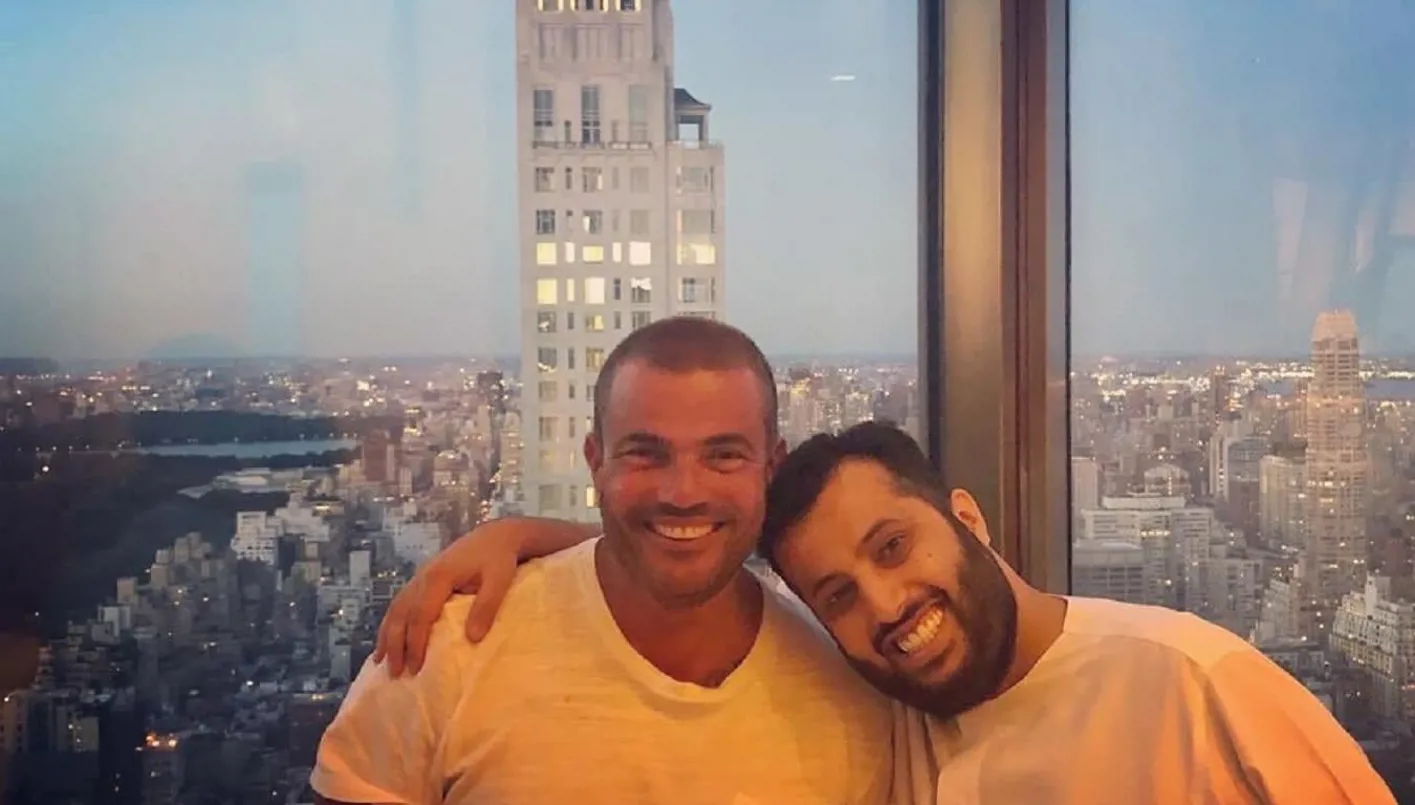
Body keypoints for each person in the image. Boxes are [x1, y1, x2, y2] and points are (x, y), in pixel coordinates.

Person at [377, 421, 1396, 804]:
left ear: (967, 517)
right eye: (837, 595)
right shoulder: (887, 713)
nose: (886, 606)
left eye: (893, 546)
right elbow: (693, 577)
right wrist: (520, 535)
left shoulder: (1190, 684)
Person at [310, 317, 898, 804]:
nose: (683, 492)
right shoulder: (449, 645)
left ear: (771, 468)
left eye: (723, 455)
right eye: (646, 454)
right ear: (596, 462)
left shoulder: (847, 702)